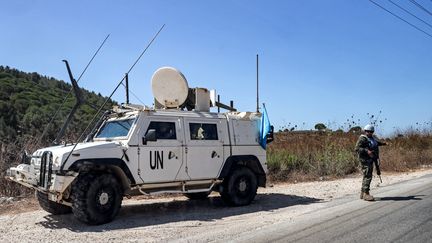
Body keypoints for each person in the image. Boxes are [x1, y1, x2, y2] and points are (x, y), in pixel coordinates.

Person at [355, 124, 387, 201]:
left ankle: (363, 193)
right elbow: (357, 148)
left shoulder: (372, 138)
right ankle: (366, 194)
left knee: (366, 175)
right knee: (368, 176)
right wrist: (367, 151)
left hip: (371, 159)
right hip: (365, 160)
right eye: (368, 131)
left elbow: (376, 143)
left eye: (371, 131)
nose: (369, 133)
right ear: (365, 131)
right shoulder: (363, 139)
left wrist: (383, 143)